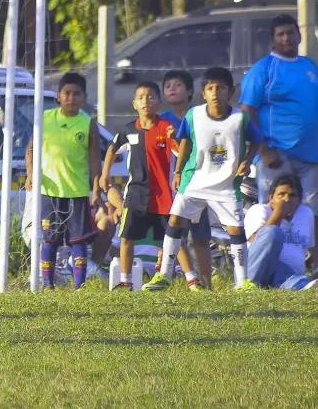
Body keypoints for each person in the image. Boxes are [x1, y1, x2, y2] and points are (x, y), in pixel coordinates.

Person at [145, 67, 261, 291]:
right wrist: (178, 171)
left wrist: (247, 161)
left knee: (235, 229)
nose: (216, 92)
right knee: (175, 221)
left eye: (221, 87)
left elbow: (256, 139)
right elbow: (184, 142)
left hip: (227, 184)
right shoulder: (194, 115)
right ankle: (164, 275)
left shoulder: (240, 118)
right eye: (210, 88)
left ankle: (242, 281)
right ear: (203, 93)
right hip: (194, 180)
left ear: (231, 91)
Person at [240, 14, 318, 243]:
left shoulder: (309, 65)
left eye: (290, 32)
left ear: (299, 35)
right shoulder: (264, 68)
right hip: (277, 154)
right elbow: (247, 109)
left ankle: (309, 263)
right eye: (280, 34)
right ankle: (271, 258)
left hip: (310, 156)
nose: (286, 38)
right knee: (274, 208)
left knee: (311, 211)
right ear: (273, 40)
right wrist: (263, 150)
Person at [25, 72, 101, 290]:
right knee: (50, 240)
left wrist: (95, 189)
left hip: (77, 193)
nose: (71, 98)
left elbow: (95, 160)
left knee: (78, 242)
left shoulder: (88, 124)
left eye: (76, 94)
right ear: (58, 96)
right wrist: (31, 173)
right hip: (50, 192)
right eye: (66, 93)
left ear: (84, 97)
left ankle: (80, 286)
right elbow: (30, 150)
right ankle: (47, 285)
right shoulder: (46, 119)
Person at [101, 82, 177, 289]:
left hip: (163, 195)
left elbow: (180, 152)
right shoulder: (127, 130)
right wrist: (105, 173)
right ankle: (125, 280)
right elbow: (111, 149)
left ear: (159, 101)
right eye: (141, 97)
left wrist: (178, 173)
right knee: (126, 236)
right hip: (136, 194)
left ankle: (170, 275)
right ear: (134, 103)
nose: (146, 101)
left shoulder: (167, 128)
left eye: (151, 97)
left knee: (168, 238)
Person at [161, 70, 213, 287]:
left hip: (196, 183)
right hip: (171, 186)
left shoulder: (200, 117)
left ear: (191, 91)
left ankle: (207, 282)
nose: (172, 88)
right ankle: (185, 279)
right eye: (168, 86)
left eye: (178, 85)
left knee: (200, 237)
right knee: (173, 234)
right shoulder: (161, 121)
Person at [244, 174, 317, 290]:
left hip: (288, 275)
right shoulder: (259, 210)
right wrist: (278, 213)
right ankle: (248, 285)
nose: (286, 199)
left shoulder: (306, 214)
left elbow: (313, 247)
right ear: (271, 198)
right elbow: (255, 243)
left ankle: (300, 284)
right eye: (281, 194)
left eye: (292, 195)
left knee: (289, 275)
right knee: (273, 232)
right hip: (258, 271)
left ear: (299, 200)